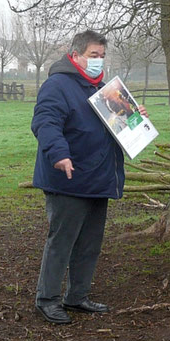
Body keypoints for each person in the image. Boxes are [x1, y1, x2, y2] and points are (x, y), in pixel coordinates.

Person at [31, 30, 147, 324]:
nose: (98, 61)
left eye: (102, 56)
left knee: (90, 242)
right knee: (62, 240)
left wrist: (135, 116)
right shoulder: (57, 85)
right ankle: (47, 298)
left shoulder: (106, 89)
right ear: (76, 55)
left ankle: (77, 296)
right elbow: (45, 122)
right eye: (93, 55)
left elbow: (119, 126)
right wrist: (59, 154)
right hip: (68, 179)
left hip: (98, 178)